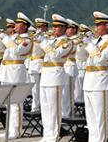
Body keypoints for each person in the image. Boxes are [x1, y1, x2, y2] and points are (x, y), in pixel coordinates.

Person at [79, 11, 108, 142]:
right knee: (90, 118)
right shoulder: (96, 41)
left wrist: (89, 45)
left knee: (100, 118)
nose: (96, 27)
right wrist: (81, 46)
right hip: (89, 81)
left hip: (100, 81)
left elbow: (100, 60)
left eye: (99, 24)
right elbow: (82, 58)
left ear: (107, 25)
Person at [0, 12, 33, 139]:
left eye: (18, 23)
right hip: (6, 71)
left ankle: (16, 131)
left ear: (25, 26)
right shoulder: (13, 37)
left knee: (16, 103)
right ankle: (9, 130)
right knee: (8, 103)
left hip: (16, 72)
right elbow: (1, 51)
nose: (15, 25)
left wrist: (5, 39)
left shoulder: (26, 40)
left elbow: (17, 51)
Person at [38, 13, 73, 142]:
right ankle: (47, 134)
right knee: (45, 107)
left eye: (57, 27)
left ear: (64, 29)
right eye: (54, 26)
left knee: (54, 108)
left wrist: (45, 45)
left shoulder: (67, 42)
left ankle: (53, 135)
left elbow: (55, 56)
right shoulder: (53, 41)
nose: (54, 29)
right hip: (46, 75)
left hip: (56, 76)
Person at [28, 18, 49, 113]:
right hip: (33, 64)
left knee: (43, 87)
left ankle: (43, 107)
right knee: (34, 88)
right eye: (38, 27)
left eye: (41, 27)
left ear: (45, 27)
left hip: (42, 63)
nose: (39, 29)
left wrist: (42, 38)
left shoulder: (48, 37)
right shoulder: (33, 36)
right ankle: (35, 107)